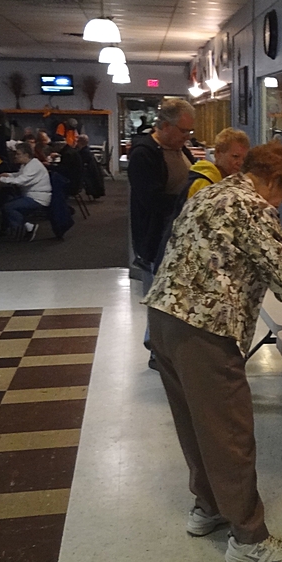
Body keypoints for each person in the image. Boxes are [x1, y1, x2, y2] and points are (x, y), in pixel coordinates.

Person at [144, 142, 282, 562]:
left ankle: (208, 507)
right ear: (275, 182)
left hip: (164, 318)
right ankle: (248, 539)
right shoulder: (254, 204)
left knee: (195, 422)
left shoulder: (211, 191)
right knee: (230, 435)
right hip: (204, 330)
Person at [128, 98, 196, 365]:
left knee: (173, 298)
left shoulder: (180, 149)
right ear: (165, 126)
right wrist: (191, 201)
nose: (187, 137)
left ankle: (167, 347)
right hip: (156, 239)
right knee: (159, 298)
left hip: (178, 238)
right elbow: (152, 201)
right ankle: (157, 351)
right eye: (183, 131)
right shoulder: (144, 154)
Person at [0, 142, 50, 241]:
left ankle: (28, 226)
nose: (15, 156)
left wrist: (0, 179)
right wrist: (8, 175)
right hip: (32, 196)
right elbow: (19, 175)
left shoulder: (33, 166)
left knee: (8, 206)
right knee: (6, 200)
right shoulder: (28, 164)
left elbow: (21, 181)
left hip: (37, 198)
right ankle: (10, 228)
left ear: (26, 155)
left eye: (18, 154)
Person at [186, 128, 249, 200]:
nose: (240, 163)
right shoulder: (204, 182)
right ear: (218, 153)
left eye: (244, 159)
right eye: (235, 156)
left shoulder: (232, 181)